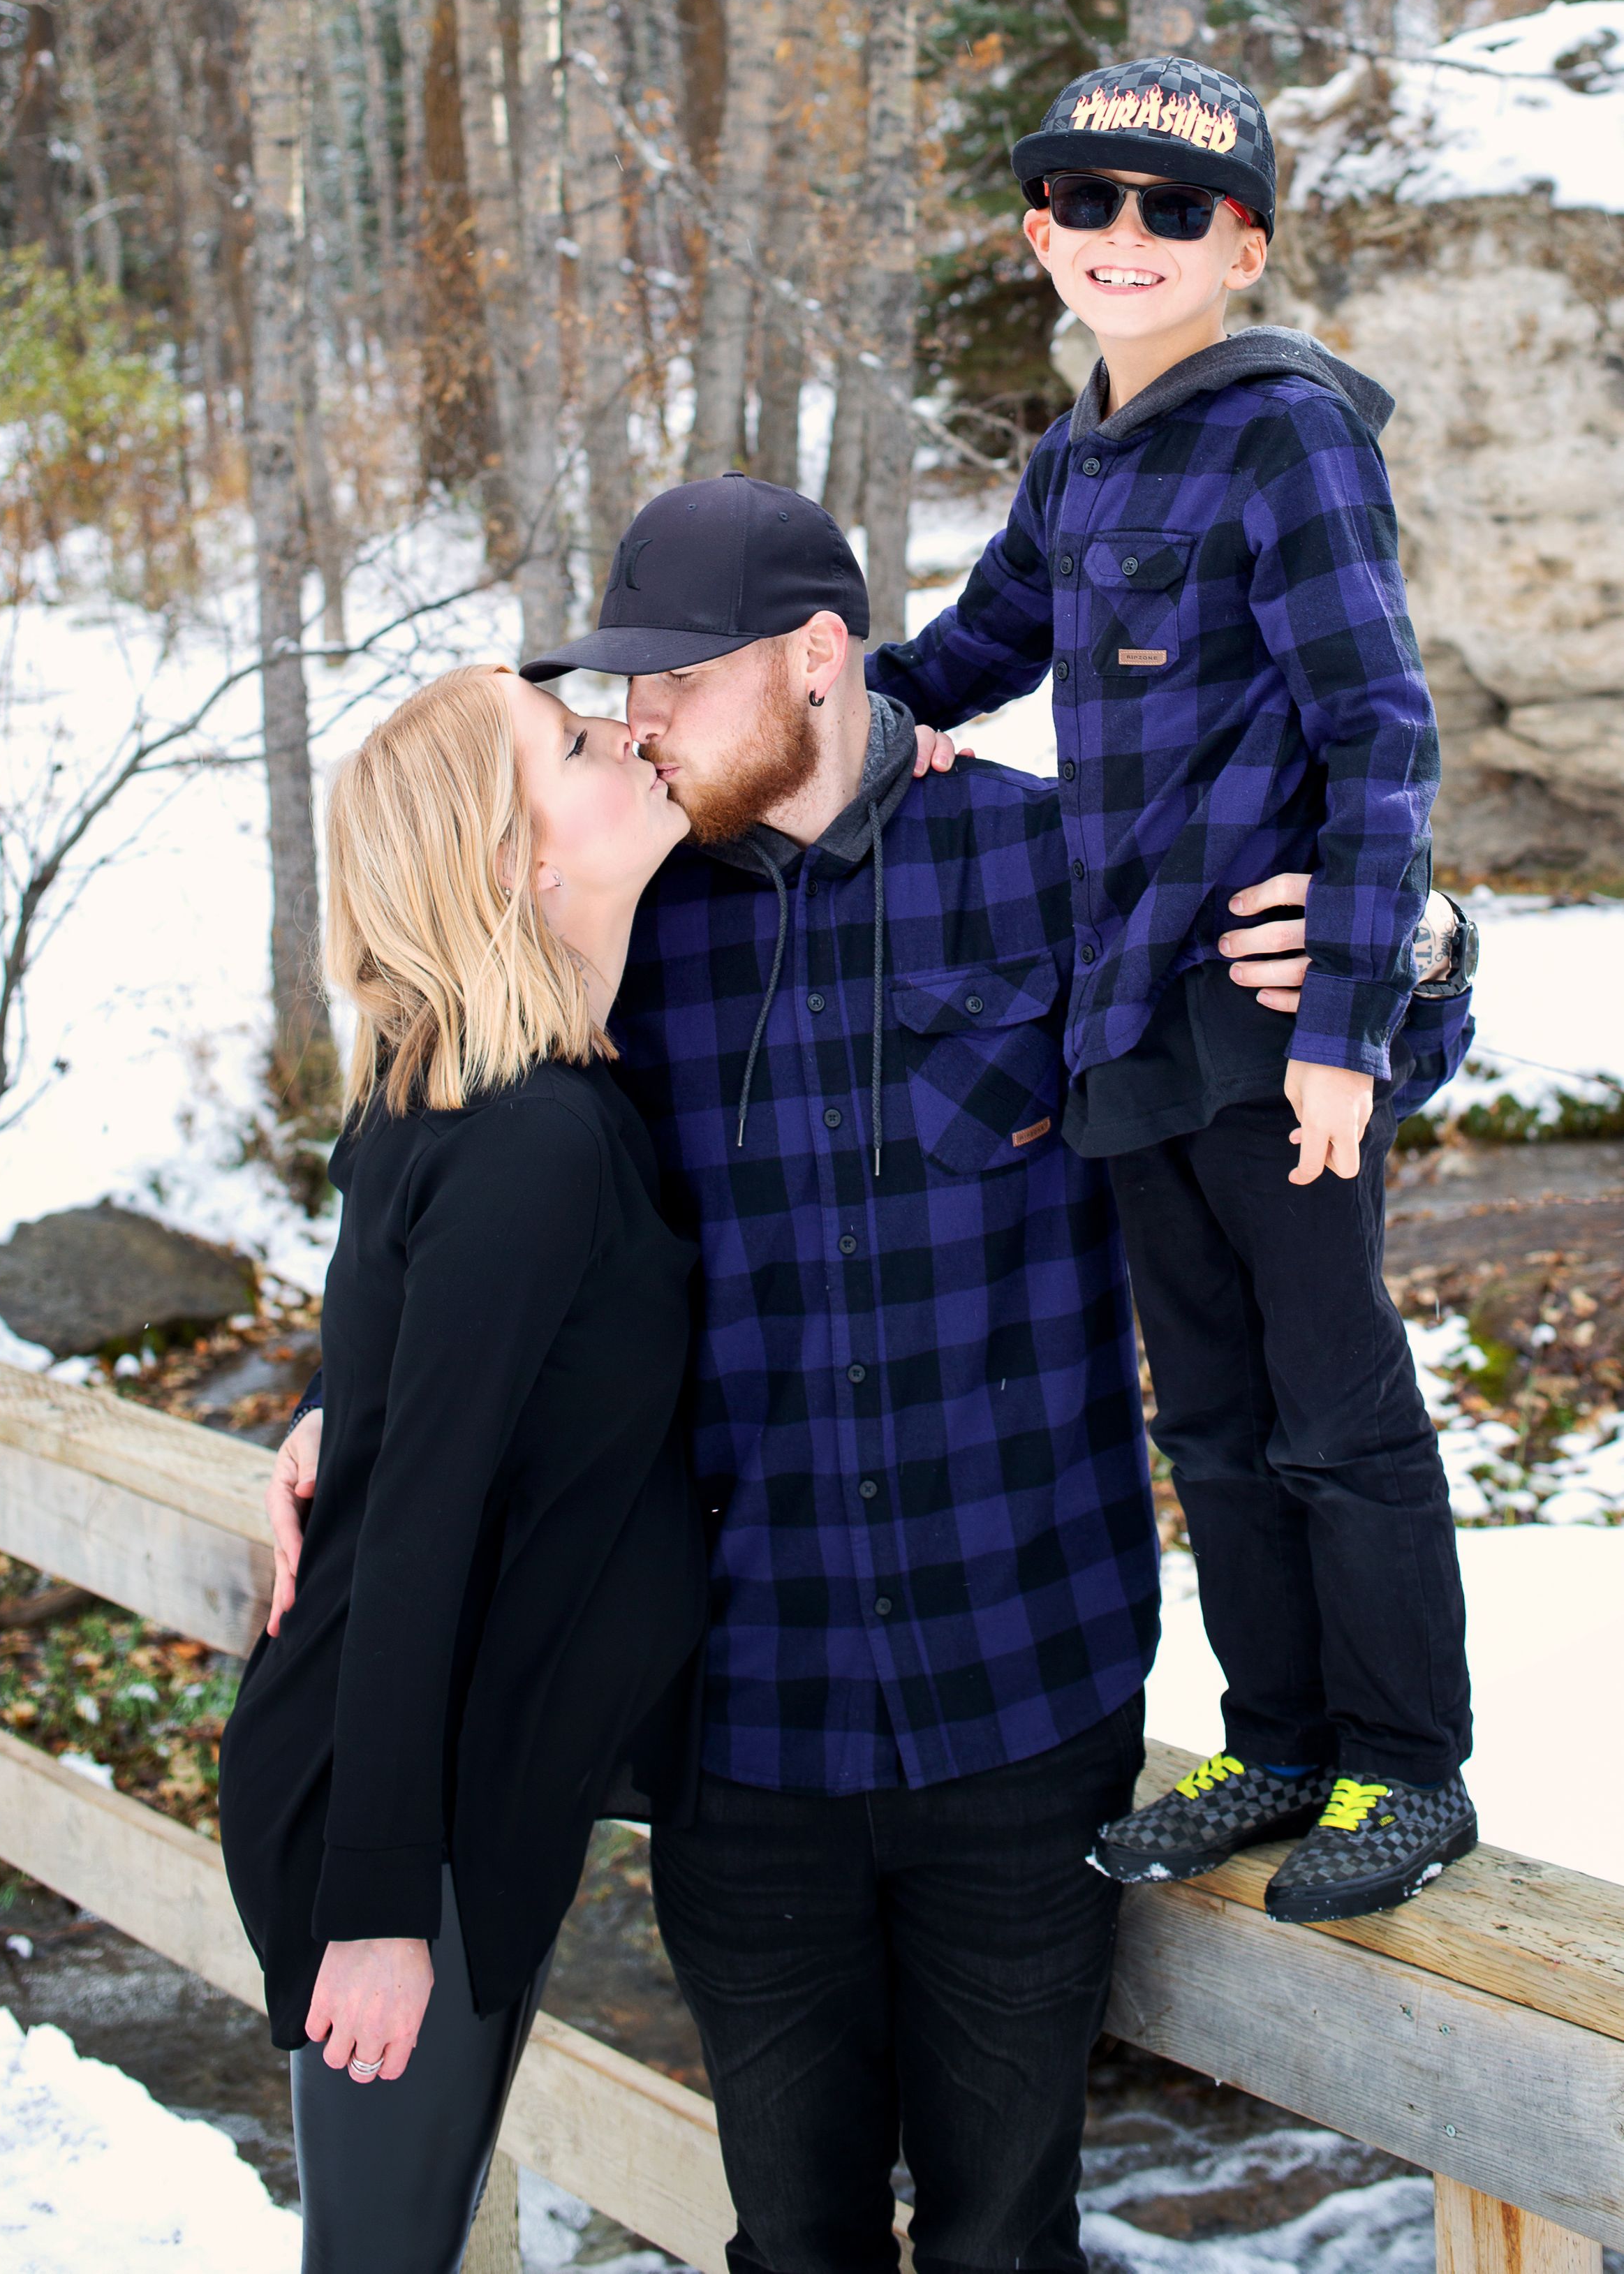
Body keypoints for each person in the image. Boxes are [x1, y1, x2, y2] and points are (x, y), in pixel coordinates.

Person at [269, 475, 1474, 2274]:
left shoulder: (1053, 858)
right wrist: (336, 1390)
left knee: (1005, 2239)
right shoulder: (624, 913)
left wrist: (1421, 953)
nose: (643, 722)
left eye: (680, 679)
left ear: (819, 658)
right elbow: (442, 1136)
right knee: (790, 2241)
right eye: (623, 693)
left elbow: (1317, 1050)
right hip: (740, 1723)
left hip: (1027, 1690)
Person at [866, 54, 1481, 1927]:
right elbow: (970, 651)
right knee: (1206, 1412)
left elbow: (1376, 729)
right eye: (1089, 202)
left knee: (1333, 1403)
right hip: (1119, 1013)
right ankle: (1274, 1739)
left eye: (1175, 208)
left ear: (1243, 246)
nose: (1125, 235)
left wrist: (1345, 1030)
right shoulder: (1074, 458)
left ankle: (1404, 1764)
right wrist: (828, 716)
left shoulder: (1286, 434)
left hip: (1265, 1021)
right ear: (1038, 235)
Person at [218, 663, 707, 2274]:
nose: (624, 735)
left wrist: (333, 1405)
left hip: (458, 1779)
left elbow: (414, 1353)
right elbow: (415, 1534)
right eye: (572, 745)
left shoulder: (499, 1100)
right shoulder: (530, 1140)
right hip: (395, 1821)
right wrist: (375, 1910)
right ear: (513, 859)